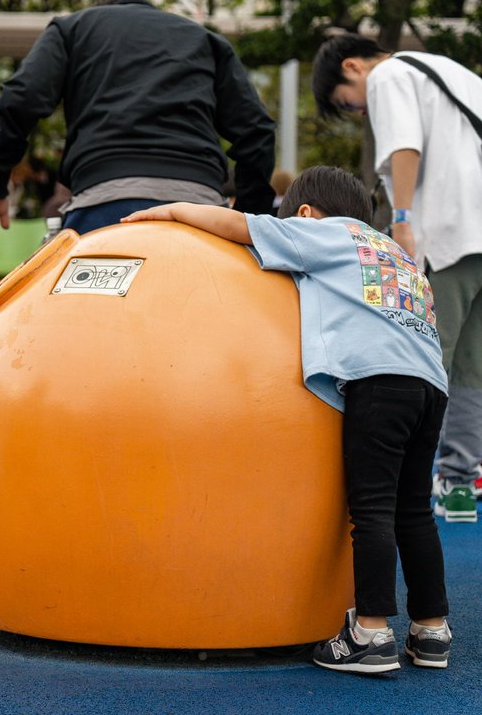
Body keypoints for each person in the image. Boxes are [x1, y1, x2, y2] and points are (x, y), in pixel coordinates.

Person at [124, 166, 452, 674]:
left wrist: (169, 211)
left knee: (371, 508)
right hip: (430, 384)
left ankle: (370, 633)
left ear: (304, 213)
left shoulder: (324, 233)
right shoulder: (393, 252)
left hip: (378, 381)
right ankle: (431, 630)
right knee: (414, 510)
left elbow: (238, 226)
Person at [313, 33, 482, 523]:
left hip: (448, 233)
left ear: (352, 67)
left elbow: (405, 146)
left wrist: (402, 219)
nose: (359, 114)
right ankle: (457, 480)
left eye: (349, 104)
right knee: (472, 367)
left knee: (429, 358)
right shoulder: (452, 70)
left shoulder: (388, 75)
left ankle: (410, 484)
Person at [0, 0, 275, 248]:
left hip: (103, 200)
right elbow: (257, 130)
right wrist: (247, 220)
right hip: (200, 209)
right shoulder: (206, 41)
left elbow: (19, 98)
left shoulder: (73, 29)